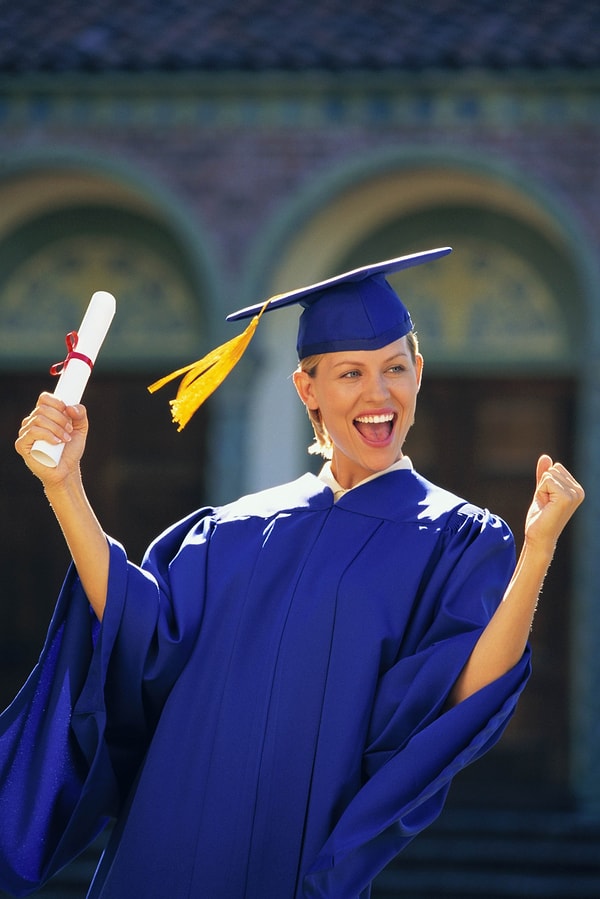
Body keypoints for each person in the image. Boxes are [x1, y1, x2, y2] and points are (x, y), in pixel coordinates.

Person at [1, 247, 584, 899]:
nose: (378, 393)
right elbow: (139, 628)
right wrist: (64, 485)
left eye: (395, 367)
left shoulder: (456, 537)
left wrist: (537, 550)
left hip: (291, 855)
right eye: (349, 373)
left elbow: (463, 691)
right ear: (307, 387)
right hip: (164, 846)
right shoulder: (232, 528)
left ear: (418, 373)